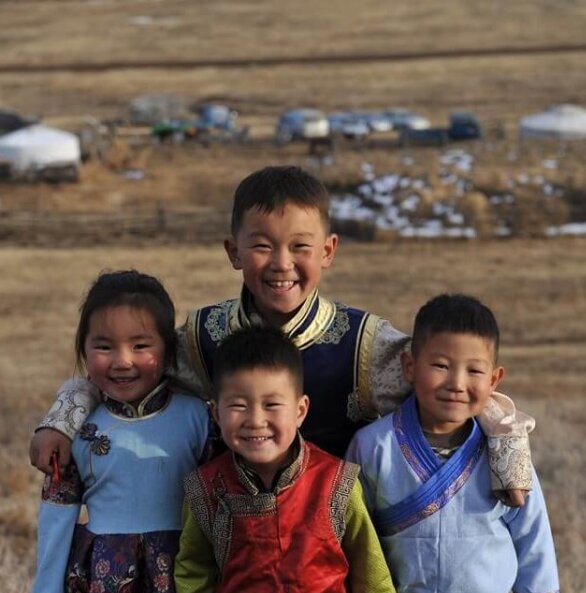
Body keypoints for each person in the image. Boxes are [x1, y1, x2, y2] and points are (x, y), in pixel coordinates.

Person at [29, 165, 533, 504]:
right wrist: (62, 417)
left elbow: (452, 382)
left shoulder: (364, 343)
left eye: (300, 247)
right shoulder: (203, 338)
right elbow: (125, 371)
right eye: (263, 246)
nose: (281, 265)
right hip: (227, 545)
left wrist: (510, 456)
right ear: (233, 251)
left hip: (332, 555)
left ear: (329, 251)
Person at [346, 294, 560, 593]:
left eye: (474, 370)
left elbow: (533, 536)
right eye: (441, 366)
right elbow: (353, 539)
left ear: (494, 379)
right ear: (409, 366)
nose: (456, 383)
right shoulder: (373, 446)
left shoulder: (506, 453)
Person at [175, 325, 403, 593]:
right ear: (215, 413)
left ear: (300, 410)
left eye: (271, 405)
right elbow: (193, 577)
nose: (256, 420)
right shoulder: (205, 489)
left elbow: (371, 580)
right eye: (238, 405)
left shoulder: (336, 484)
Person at [29, 270, 213, 593]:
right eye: (104, 346)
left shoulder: (198, 417)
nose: (122, 361)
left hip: (180, 583)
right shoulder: (73, 430)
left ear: (168, 350)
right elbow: (55, 519)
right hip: (99, 590)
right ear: (83, 349)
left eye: (141, 345)